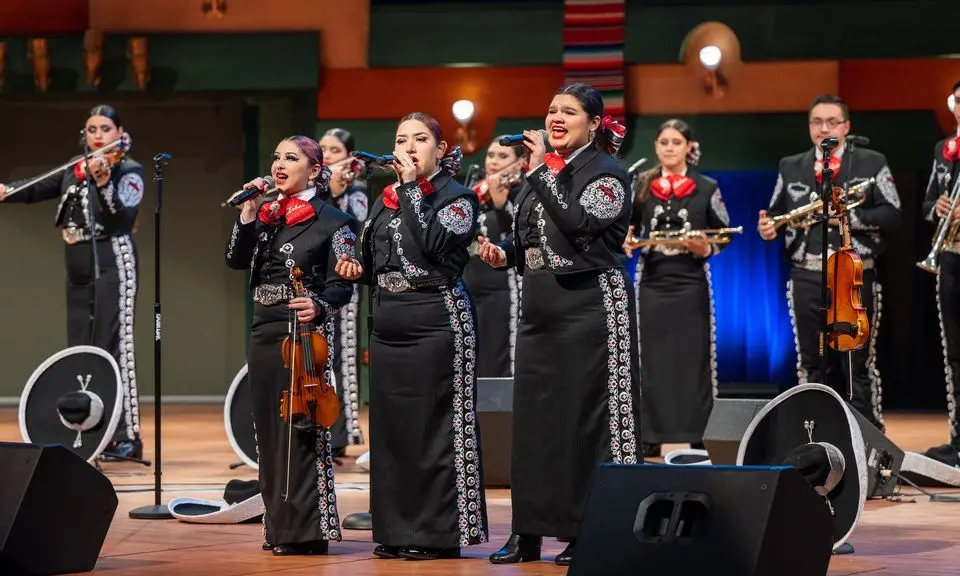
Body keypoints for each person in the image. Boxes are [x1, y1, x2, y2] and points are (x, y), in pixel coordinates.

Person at [478, 83, 641, 566]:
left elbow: (578, 225)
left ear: (594, 123)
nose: (556, 117)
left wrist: (541, 168)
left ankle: (584, 528)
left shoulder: (609, 173)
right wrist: (503, 253)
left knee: (585, 423)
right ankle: (528, 532)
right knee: (533, 422)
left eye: (568, 111)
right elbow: (530, 236)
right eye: (551, 109)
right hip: (541, 309)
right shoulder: (540, 173)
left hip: (590, 305)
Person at [335, 112, 488, 561]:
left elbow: (433, 246)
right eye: (402, 139)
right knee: (394, 431)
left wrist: (408, 191)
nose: (408, 147)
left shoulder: (457, 197)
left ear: (440, 150)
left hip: (437, 318)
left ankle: (438, 534)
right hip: (390, 322)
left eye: (420, 139)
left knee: (436, 428)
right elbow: (375, 257)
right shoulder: (385, 197)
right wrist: (355, 267)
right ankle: (397, 528)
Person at [224, 135, 358, 555]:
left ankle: (309, 530)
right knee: (267, 429)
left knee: (302, 430)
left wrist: (318, 306)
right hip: (264, 330)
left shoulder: (334, 221)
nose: (280, 164)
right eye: (276, 156)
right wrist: (247, 215)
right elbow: (235, 259)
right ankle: (279, 527)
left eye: (292, 158)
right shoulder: (265, 214)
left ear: (315, 171)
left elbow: (342, 286)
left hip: (303, 336)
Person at [0, 104, 145, 461]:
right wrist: (6, 190)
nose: (98, 135)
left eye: (105, 128)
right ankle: (96, 430)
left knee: (115, 346)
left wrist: (102, 183)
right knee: (80, 347)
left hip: (113, 259)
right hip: (77, 263)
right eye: (92, 129)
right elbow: (36, 188)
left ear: (119, 131)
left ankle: (128, 436)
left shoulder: (129, 170)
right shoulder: (75, 168)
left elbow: (120, 219)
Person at [758, 94, 901, 431]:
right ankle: (816, 433)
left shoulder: (871, 162)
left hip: (854, 272)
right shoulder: (790, 165)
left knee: (857, 362)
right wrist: (768, 227)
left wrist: (848, 217)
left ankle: (867, 435)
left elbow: (893, 213)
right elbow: (778, 212)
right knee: (811, 361)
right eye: (817, 122)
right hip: (806, 273)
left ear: (847, 127)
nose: (824, 128)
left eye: (832, 122)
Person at [624, 119, 730, 457]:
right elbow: (625, 228)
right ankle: (650, 433)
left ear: (689, 147)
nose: (669, 147)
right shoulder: (641, 184)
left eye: (676, 142)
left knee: (692, 358)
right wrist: (627, 241)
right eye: (663, 142)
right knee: (651, 359)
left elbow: (724, 233)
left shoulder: (707, 187)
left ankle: (698, 431)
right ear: (656, 147)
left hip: (690, 283)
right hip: (653, 282)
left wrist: (706, 249)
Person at [318, 127, 369, 455]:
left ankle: (344, 430)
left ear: (349, 156)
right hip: (316, 278)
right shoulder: (314, 188)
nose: (326, 155)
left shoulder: (359, 192)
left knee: (344, 356)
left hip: (345, 276)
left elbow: (354, 228)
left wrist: (337, 192)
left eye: (334, 150)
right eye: (322, 149)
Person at [919, 80, 960, 466]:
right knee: (955, 353)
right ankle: (959, 437)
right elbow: (928, 200)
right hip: (951, 257)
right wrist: (940, 208)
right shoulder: (943, 151)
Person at [463, 137, 528, 377]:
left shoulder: (522, 191)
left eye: (503, 156)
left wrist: (503, 206)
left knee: (499, 356)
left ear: (520, 162)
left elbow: (522, 237)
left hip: (503, 288)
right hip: (471, 283)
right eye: (491, 155)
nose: (493, 161)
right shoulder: (476, 193)